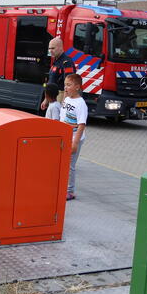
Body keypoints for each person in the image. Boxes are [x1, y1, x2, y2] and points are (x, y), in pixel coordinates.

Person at [60, 73, 87, 201]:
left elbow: (81, 124)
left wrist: (75, 142)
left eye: (69, 85)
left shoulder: (81, 104)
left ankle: (70, 191)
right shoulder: (67, 99)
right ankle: (62, 186)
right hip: (65, 136)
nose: (66, 87)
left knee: (70, 165)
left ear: (77, 87)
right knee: (62, 163)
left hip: (74, 138)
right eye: (65, 85)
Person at [41, 37, 76, 109]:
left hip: (60, 96)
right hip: (53, 97)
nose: (50, 51)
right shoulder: (56, 61)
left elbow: (69, 84)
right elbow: (51, 81)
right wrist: (46, 100)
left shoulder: (67, 62)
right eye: (49, 48)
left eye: (53, 48)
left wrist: (64, 101)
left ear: (60, 48)